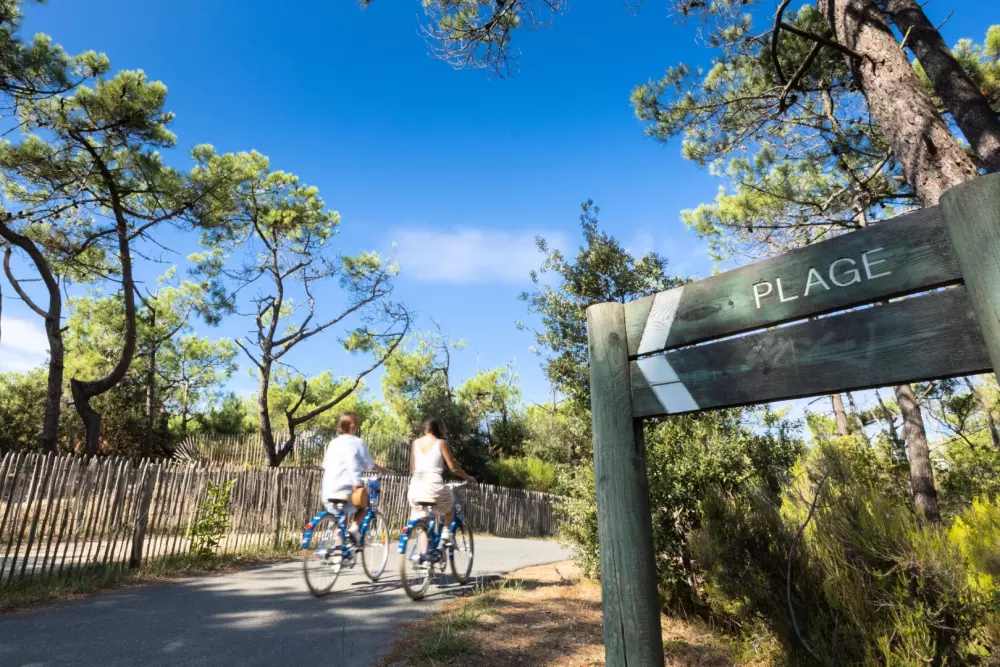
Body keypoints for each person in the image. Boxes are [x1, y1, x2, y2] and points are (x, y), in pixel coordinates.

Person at [321, 411, 390, 544]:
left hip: (328, 490)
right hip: (346, 489)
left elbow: (326, 464)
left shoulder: (333, 443)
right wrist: (384, 470)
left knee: (340, 518)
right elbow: (370, 465)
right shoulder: (358, 442)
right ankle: (354, 528)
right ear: (352, 426)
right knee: (363, 505)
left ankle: (337, 553)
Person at [407, 417, 476, 545]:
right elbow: (453, 468)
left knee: (423, 522)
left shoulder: (415, 443)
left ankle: (424, 558)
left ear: (425, 429)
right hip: (434, 486)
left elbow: (413, 469)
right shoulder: (441, 443)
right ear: (438, 429)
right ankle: (446, 533)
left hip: (415, 487)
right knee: (449, 507)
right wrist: (468, 477)